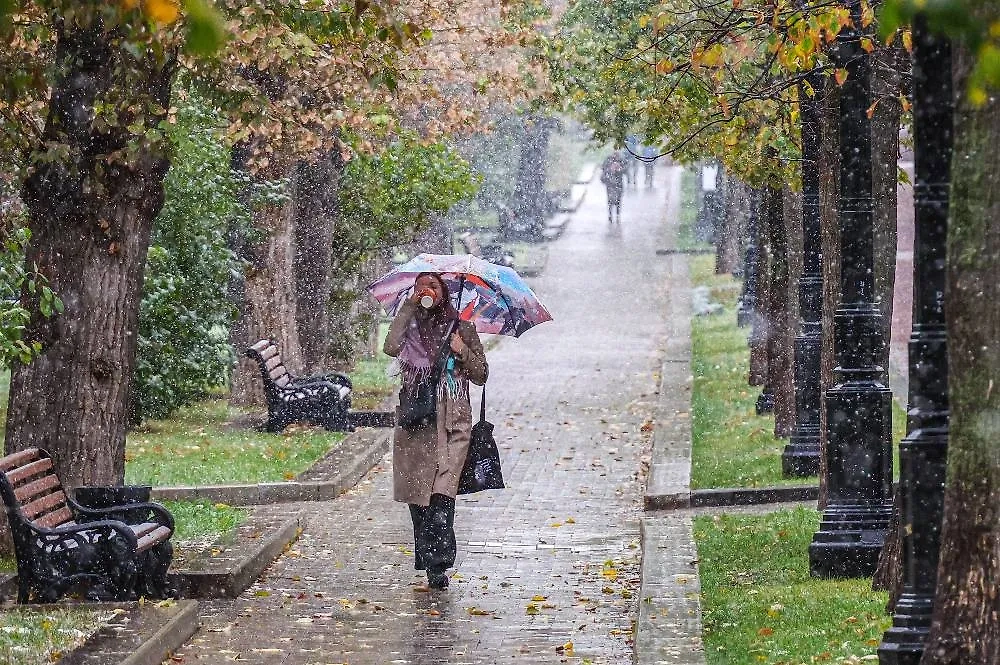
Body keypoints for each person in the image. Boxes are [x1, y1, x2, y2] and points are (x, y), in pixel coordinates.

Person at [383, 272, 488, 590]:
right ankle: (429, 561)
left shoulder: (462, 326)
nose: (425, 291)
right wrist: (408, 308)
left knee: (442, 495)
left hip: (452, 423)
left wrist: (461, 349)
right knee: (419, 498)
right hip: (416, 419)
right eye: (420, 287)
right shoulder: (410, 322)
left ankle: (438, 565)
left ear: (443, 292)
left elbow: (481, 374)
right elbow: (390, 347)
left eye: (432, 286)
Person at [600, 151, 626, 223]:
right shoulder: (608, 159)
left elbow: (625, 170)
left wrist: (619, 169)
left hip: (619, 184)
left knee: (618, 200)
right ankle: (610, 215)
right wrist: (610, 169)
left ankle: (617, 215)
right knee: (610, 200)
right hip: (610, 183)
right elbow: (603, 168)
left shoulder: (621, 159)